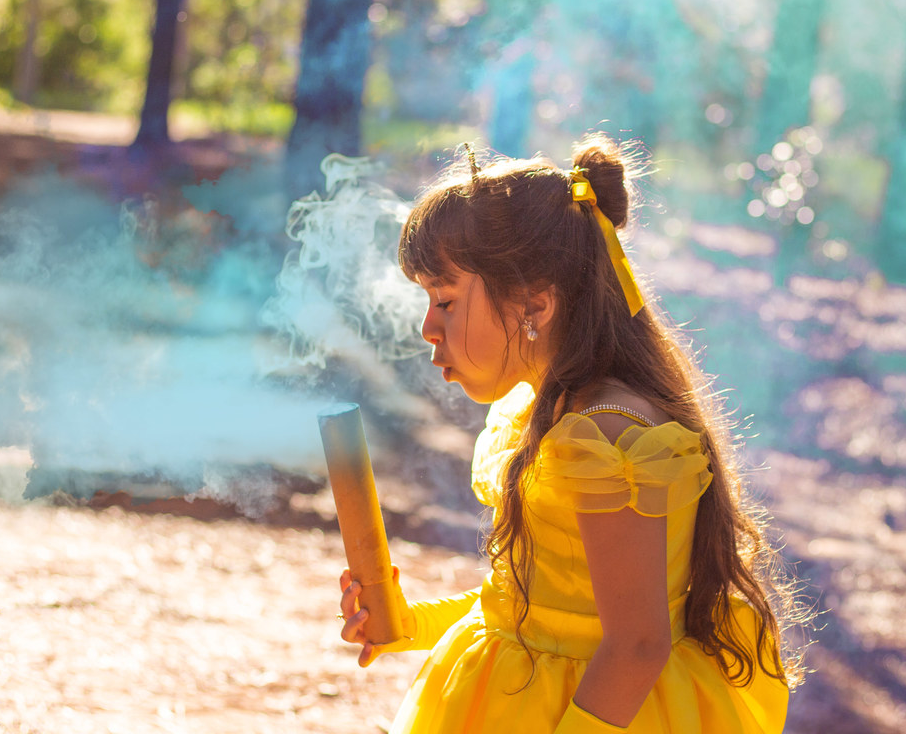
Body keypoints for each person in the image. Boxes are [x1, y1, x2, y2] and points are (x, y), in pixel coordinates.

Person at [338, 133, 801, 732]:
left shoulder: (605, 440)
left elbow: (636, 647)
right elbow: (533, 611)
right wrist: (406, 622)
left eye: (445, 300)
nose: (428, 327)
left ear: (535, 304)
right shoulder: (554, 420)